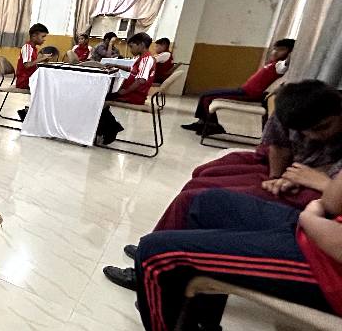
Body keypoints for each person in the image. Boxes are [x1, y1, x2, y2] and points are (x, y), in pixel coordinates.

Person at [104, 80, 342, 291]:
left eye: (323, 128)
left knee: (197, 199)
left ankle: (151, 268)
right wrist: (276, 176)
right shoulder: (292, 112)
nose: (314, 136)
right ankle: (160, 245)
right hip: (295, 173)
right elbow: (279, 146)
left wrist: (318, 180)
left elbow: (332, 199)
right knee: (203, 176)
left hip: (321, 195)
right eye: (306, 132)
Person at [115, 175, 342, 331]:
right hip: (321, 229)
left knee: (154, 257)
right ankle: (202, 325)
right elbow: (332, 201)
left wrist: (309, 217)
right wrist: (315, 213)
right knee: (201, 202)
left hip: (327, 266)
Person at [180, 38, 294, 135]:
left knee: (207, 97)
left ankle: (213, 125)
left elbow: (287, 62)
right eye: (275, 49)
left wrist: (292, 52)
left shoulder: (279, 66)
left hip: (249, 93)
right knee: (205, 94)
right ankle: (202, 123)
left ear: (288, 52)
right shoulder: (272, 63)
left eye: (281, 50)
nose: (275, 52)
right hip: (243, 90)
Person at [96, 32, 156, 146]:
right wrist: (116, 65)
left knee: (101, 100)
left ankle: (110, 129)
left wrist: (124, 91)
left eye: (132, 46)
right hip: (131, 93)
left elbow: (141, 80)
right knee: (103, 98)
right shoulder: (143, 58)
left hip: (134, 95)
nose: (131, 50)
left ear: (141, 45)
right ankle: (110, 128)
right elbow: (132, 70)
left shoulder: (146, 59)